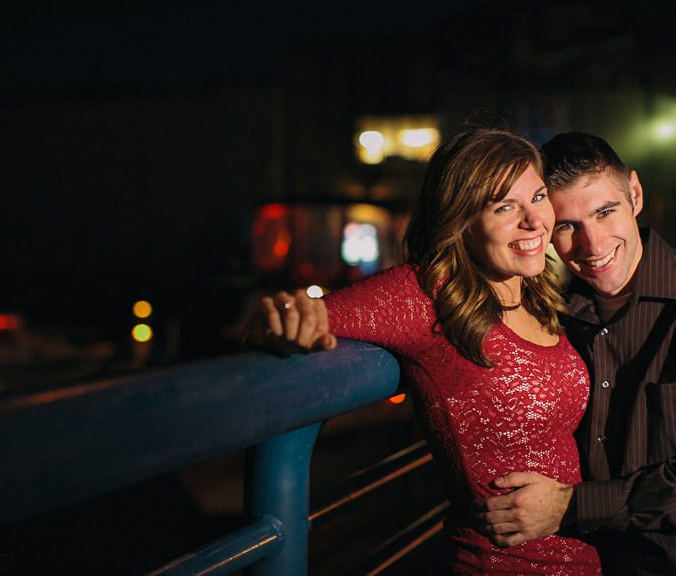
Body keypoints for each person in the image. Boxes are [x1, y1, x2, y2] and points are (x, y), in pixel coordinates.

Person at [247, 128, 602, 574]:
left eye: (537, 197)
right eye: (505, 207)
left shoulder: (537, 293)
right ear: (461, 221)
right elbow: (300, 319)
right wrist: (280, 317)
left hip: (587, 558)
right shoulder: (425, 297)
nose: (533, 221)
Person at [475, 132, 676, 575]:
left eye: (605, 212)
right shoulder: (556, 321)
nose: (593, 244)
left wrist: (572, 505)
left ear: (634, 195)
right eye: (567, 226)